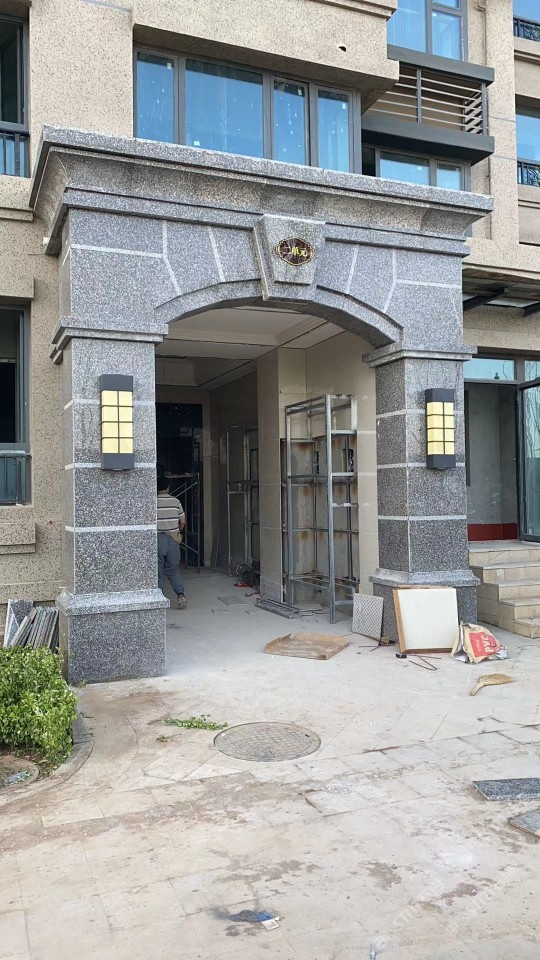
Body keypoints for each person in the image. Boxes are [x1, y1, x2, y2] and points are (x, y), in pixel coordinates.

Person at [157, 473, 187, 609]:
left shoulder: (152, 502)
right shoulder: (176, 501)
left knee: (157, 571)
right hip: (173, 538)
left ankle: (158, 599)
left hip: (157, 538)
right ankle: (181, 595)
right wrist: (177, 531)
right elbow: (183, 521)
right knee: (173, 569)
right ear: (168, 487)